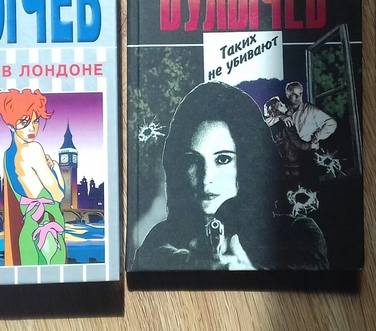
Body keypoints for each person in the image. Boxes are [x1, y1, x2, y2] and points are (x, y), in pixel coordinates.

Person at [133, 81, 328, 271]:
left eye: (223, 159)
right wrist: (188, 264)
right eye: (193, 160)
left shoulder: (298, 233)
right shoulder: (161, 238)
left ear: (247, 165)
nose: (206, 177)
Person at [0, 88, 67, 266]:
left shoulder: (8, 156)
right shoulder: (33, 149)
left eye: (36, 121)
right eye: (24, 122)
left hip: (28, 233)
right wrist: (56, 167)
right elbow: (58, 194)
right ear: (11, 125)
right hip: (48, 232)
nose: (32, 128)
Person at [263, 96, 319, 191]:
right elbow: (297, 143)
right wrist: (311, 146)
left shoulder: (269, 125)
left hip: (280, 164)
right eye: (280, 105)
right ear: (275, 109)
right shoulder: (286, 122)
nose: (284, 105)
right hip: (292, 162)